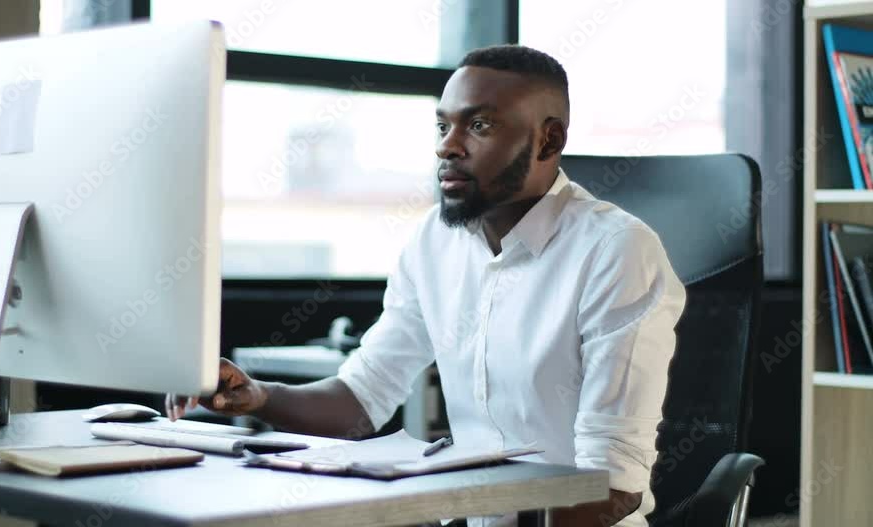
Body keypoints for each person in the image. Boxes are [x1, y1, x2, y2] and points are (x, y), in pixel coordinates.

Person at [166, 44, 686, 527]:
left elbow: (614, 484)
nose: (447, 147)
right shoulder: (431, 244)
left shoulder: (616, 251)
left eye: (478, 125)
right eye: (442, 126)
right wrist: (258, 396)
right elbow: (359, 399)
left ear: (548, 139)